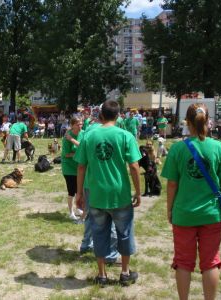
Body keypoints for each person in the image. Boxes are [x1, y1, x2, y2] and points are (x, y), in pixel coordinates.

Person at [161, 103, 221, 300]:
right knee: (211, 262)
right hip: (212, 214)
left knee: (183, 262)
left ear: (187, 123)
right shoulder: (219, 147)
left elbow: (172, 184)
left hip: (183, 213)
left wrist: (170, 210)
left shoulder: (178, 149)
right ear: (208, 122)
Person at [75, 100, 141, 286]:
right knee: (125, 232)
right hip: (120, 194)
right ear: (119, 115)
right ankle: (125, 273)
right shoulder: (126, 135)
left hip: (96, 194)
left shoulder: (89, 135)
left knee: (99, 233)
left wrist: (79, 193)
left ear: (101, 115)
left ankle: (102, 275)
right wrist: (138, 191)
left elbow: (81, 167)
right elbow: (134, 166)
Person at [61, 117, 84, 221]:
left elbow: (85, 146)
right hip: (69, 168)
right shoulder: (67, 137)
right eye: (78, 124)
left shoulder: (83, 133)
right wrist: (79, 153)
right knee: (71, 191)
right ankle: (71, 212)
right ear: (72, 125)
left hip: (79, 167)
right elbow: (66, 154)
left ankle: (78, 208)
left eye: (81, 124)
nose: (80, 126)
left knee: (80, 190)